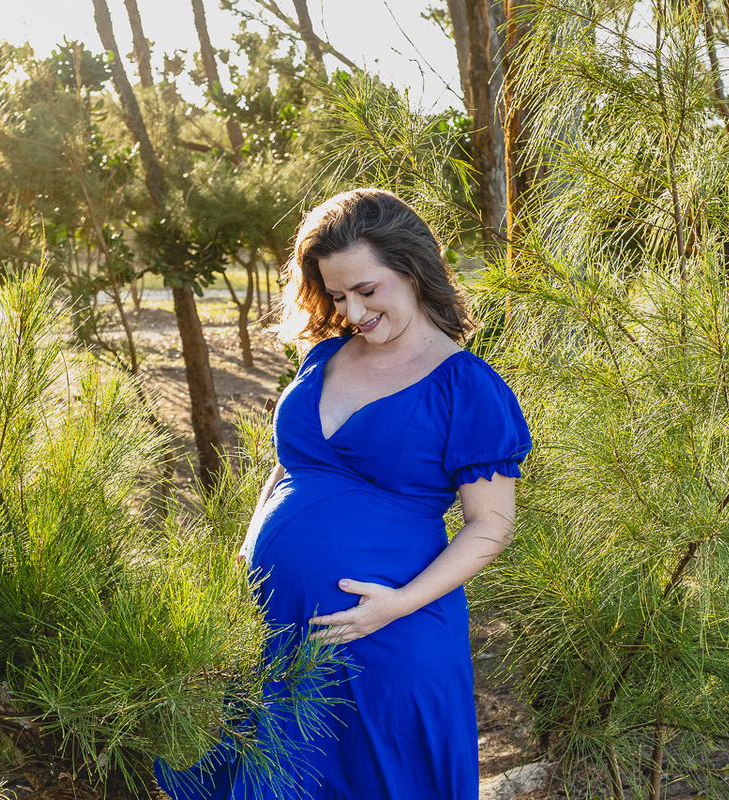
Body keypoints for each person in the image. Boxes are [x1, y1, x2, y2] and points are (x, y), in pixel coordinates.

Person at [155, 188, 532, 799]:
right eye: (336, 295)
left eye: (367, 290)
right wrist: (245, 561)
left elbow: (491, 525)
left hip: (386, 635)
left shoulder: (467, 387)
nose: (352, 311)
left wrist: (398, 604)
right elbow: (286, 470)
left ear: (411, 270)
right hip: (275, 631)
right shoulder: (323, 358)